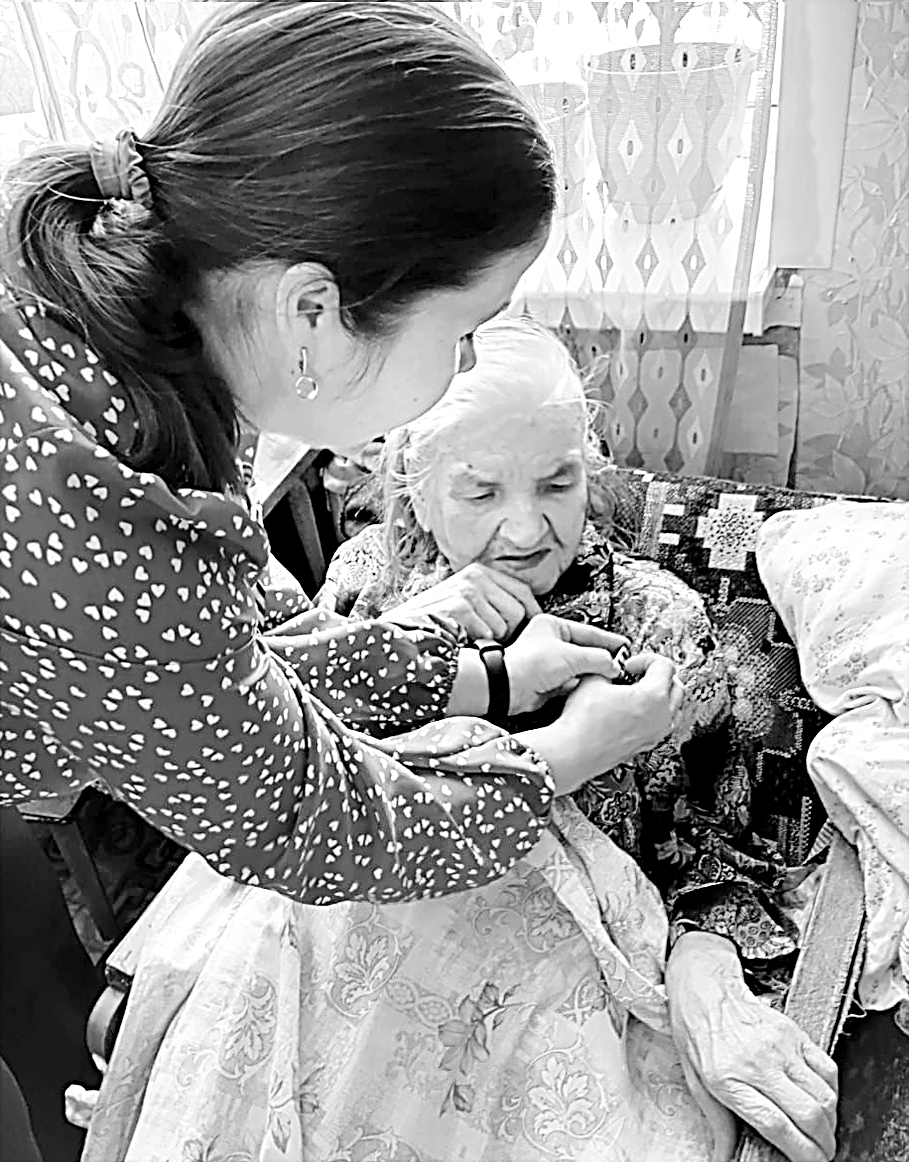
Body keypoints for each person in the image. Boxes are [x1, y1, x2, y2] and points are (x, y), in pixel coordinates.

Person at [79, 320, 837, 1162]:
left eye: (558, 483)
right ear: (413, 488)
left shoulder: (656, 619)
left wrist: (707, 973)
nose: (526, 529)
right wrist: (417, 644)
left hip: (536, 981)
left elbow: (723, 850)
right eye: (480, 494)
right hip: (337, 930)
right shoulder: (366, 582)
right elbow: (302, 775)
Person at [0, 2, 682, 904]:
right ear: (313, 314)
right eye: (464, 327)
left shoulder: (177, 349)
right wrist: (567, 751)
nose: (466, 362)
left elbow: (246, 648)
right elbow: (313, 824)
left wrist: (487, 678)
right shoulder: (95, 519)